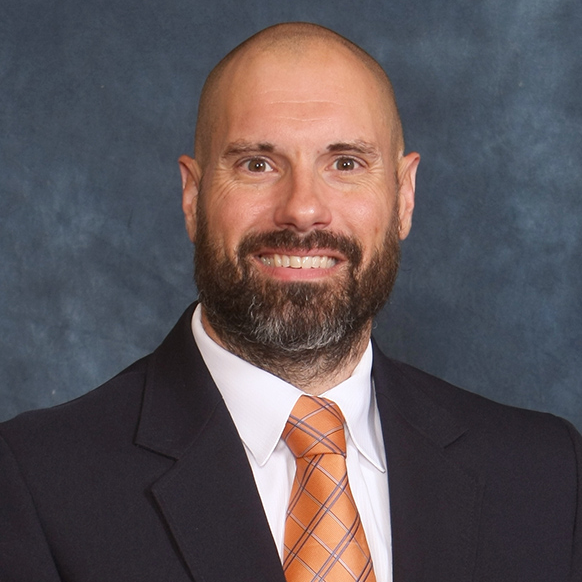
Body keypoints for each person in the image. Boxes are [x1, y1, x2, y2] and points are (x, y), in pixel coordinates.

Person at [0, 22, 580, 582]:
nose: (302, 209)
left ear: (403, 197)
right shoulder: (33, 482)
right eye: (258, 164)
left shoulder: (546, 475)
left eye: (345, 164)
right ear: (193, 197)